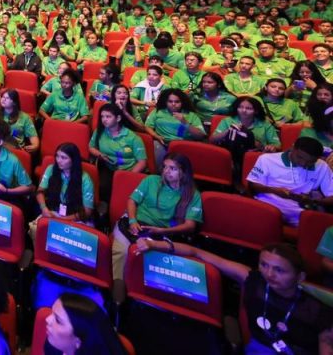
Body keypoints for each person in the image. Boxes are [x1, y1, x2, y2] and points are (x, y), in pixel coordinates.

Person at [133, 238, 333, 355]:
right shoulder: (252, 279)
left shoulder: (319, 312)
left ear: (300, 277)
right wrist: (156, 245)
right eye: (264, 265)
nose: (269, 274)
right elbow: (198, 252)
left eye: (280, 270)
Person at [111, 152, 202, 280]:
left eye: (173, 168)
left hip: (161, 233)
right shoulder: (151, 180)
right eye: (165, 167)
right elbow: (132, 200)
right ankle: (118, 285)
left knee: (142, 257)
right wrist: (132, 220)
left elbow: (190, 226)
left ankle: (136, 289)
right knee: (121, 252)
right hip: (133, 223)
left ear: (184, 172)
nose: (166, 171)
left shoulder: (192, 194)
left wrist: (164, 230)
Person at [247, 136, 333, 227]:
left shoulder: (322, 166)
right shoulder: (267, 159)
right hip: (269, 205)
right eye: (300, 157)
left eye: (310, 162)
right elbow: (252, 184)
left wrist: (314, 201)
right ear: (292, 148)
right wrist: (275, 190)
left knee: (320, 231)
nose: (303, 163)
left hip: (300, 210)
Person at [33, 142, 95, 233]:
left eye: (64, 158)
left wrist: (65, 219)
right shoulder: (51, 169)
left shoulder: (85, 179)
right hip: (54, 211)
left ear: (73, 160)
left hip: (75, 216)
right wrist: (44, 208)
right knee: (36, 230)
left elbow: (87, 211)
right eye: (57, 156)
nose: (58, 160)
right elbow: (40, 192)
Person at [40, 292, 126, 354]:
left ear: (78, 342)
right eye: (52, 313)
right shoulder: (52, 347)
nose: (47, 319)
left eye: (58, 320)